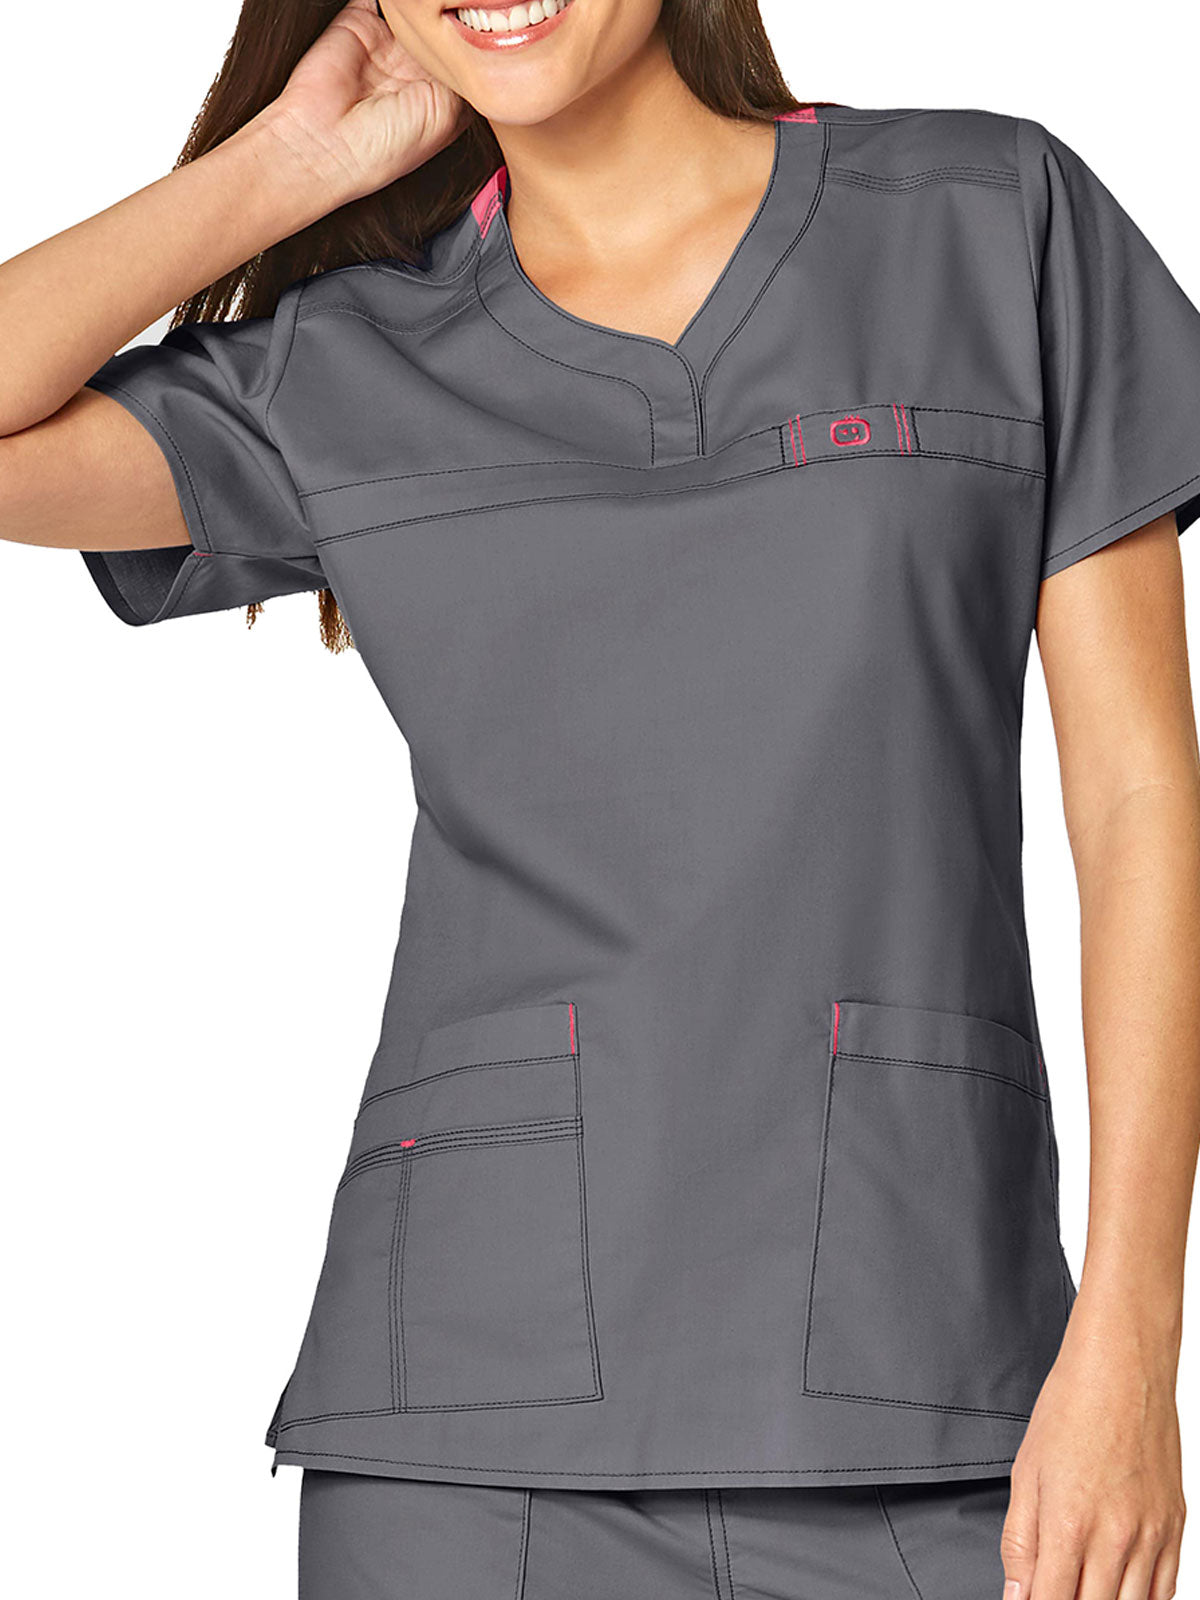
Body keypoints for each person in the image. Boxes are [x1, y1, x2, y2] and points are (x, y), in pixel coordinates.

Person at [2, 1, 1198, 1596]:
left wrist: (1131, 1342)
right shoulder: (350, 361)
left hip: (937, 1394)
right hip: (462, 1448)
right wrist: (280, 163)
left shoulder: (987, 223)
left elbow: (1137, 801)